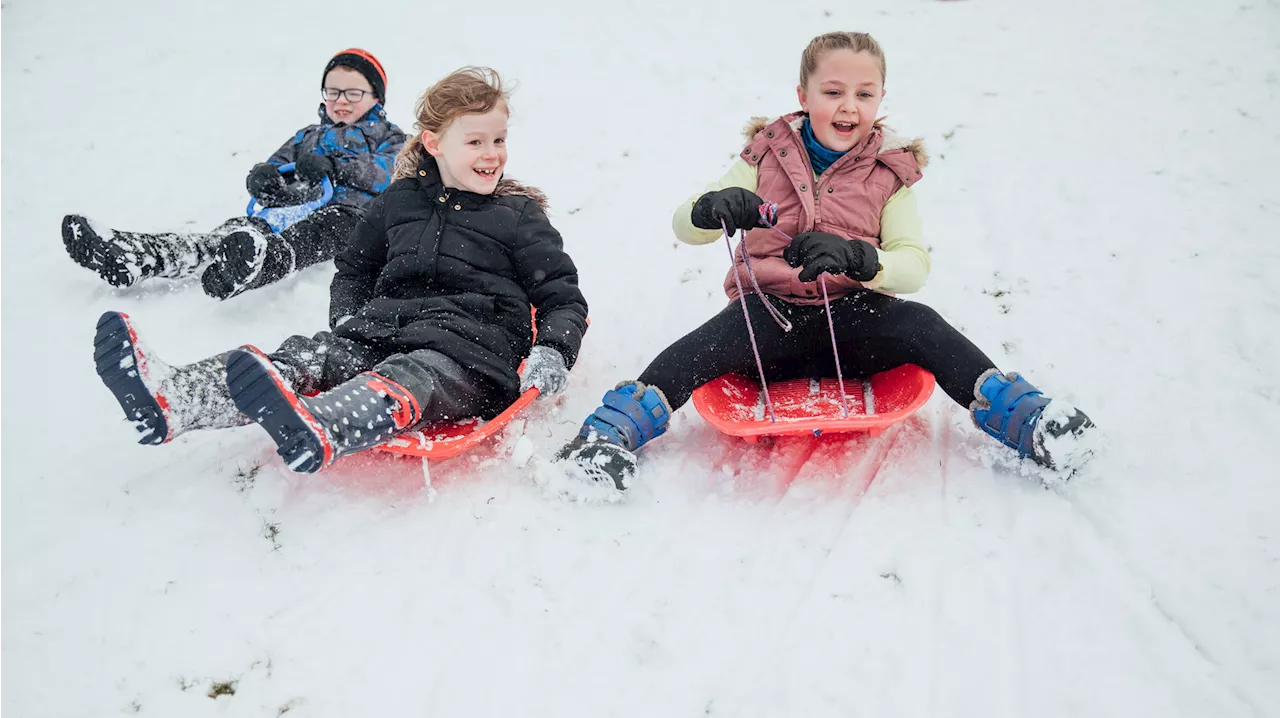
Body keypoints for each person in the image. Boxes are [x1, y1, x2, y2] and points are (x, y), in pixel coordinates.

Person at [556, 31, 1095, 490]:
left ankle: (1027, 419)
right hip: (768, 317)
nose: (848, 106)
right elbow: (683, 227)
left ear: (882, 97)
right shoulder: (764, 156)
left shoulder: (890, 175)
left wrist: (862, 259)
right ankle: (610, 435)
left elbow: (915, 266)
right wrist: (709, 210)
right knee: (697, 350)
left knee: (925, 327)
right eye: (833, 91)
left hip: (854, 320)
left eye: (864, 93)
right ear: (803, 94)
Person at [91, 67, 588, 473]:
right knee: (308, 357)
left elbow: (562, 297)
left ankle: (324, 424)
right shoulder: (398, 203)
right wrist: (348, 318)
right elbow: (354, 267)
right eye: (476, 141)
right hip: (380, 332)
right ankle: (177, 398)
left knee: (413, 373)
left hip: (467, 357)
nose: (493, 153)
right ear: (434, 144)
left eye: (498, 139)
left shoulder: (519, 216)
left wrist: (552, 351)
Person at [63, 49, 406, 299]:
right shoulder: (308, 135)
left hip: (349, 215)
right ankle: (137, 256)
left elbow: (389, 171)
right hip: (287, 208)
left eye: (353, 93)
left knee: (317, 233)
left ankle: (256, 266)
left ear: (376, 96)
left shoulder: (389, 135)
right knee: (231, 234)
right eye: (332, 92)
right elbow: (279, 161)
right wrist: (264, 177)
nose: (340, 101)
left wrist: (338, 167)